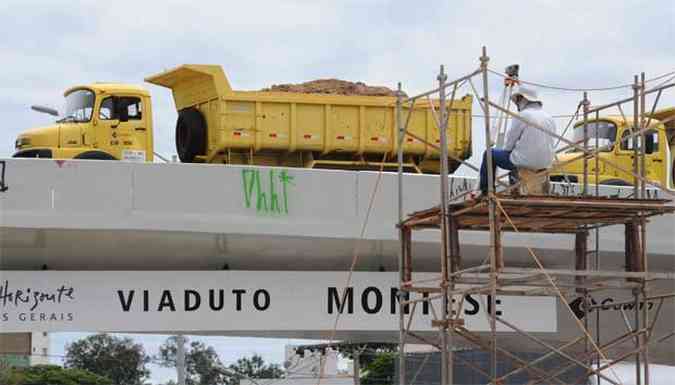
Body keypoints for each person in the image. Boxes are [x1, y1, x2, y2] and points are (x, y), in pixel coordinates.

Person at [477, 86, 556, 195]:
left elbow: (509, 144)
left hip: (524, 161)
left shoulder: (523, 115)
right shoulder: (549, 117)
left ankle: (486, 191)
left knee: (489, 154)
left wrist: (508, 150)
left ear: (522, 99)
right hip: (545, 163)